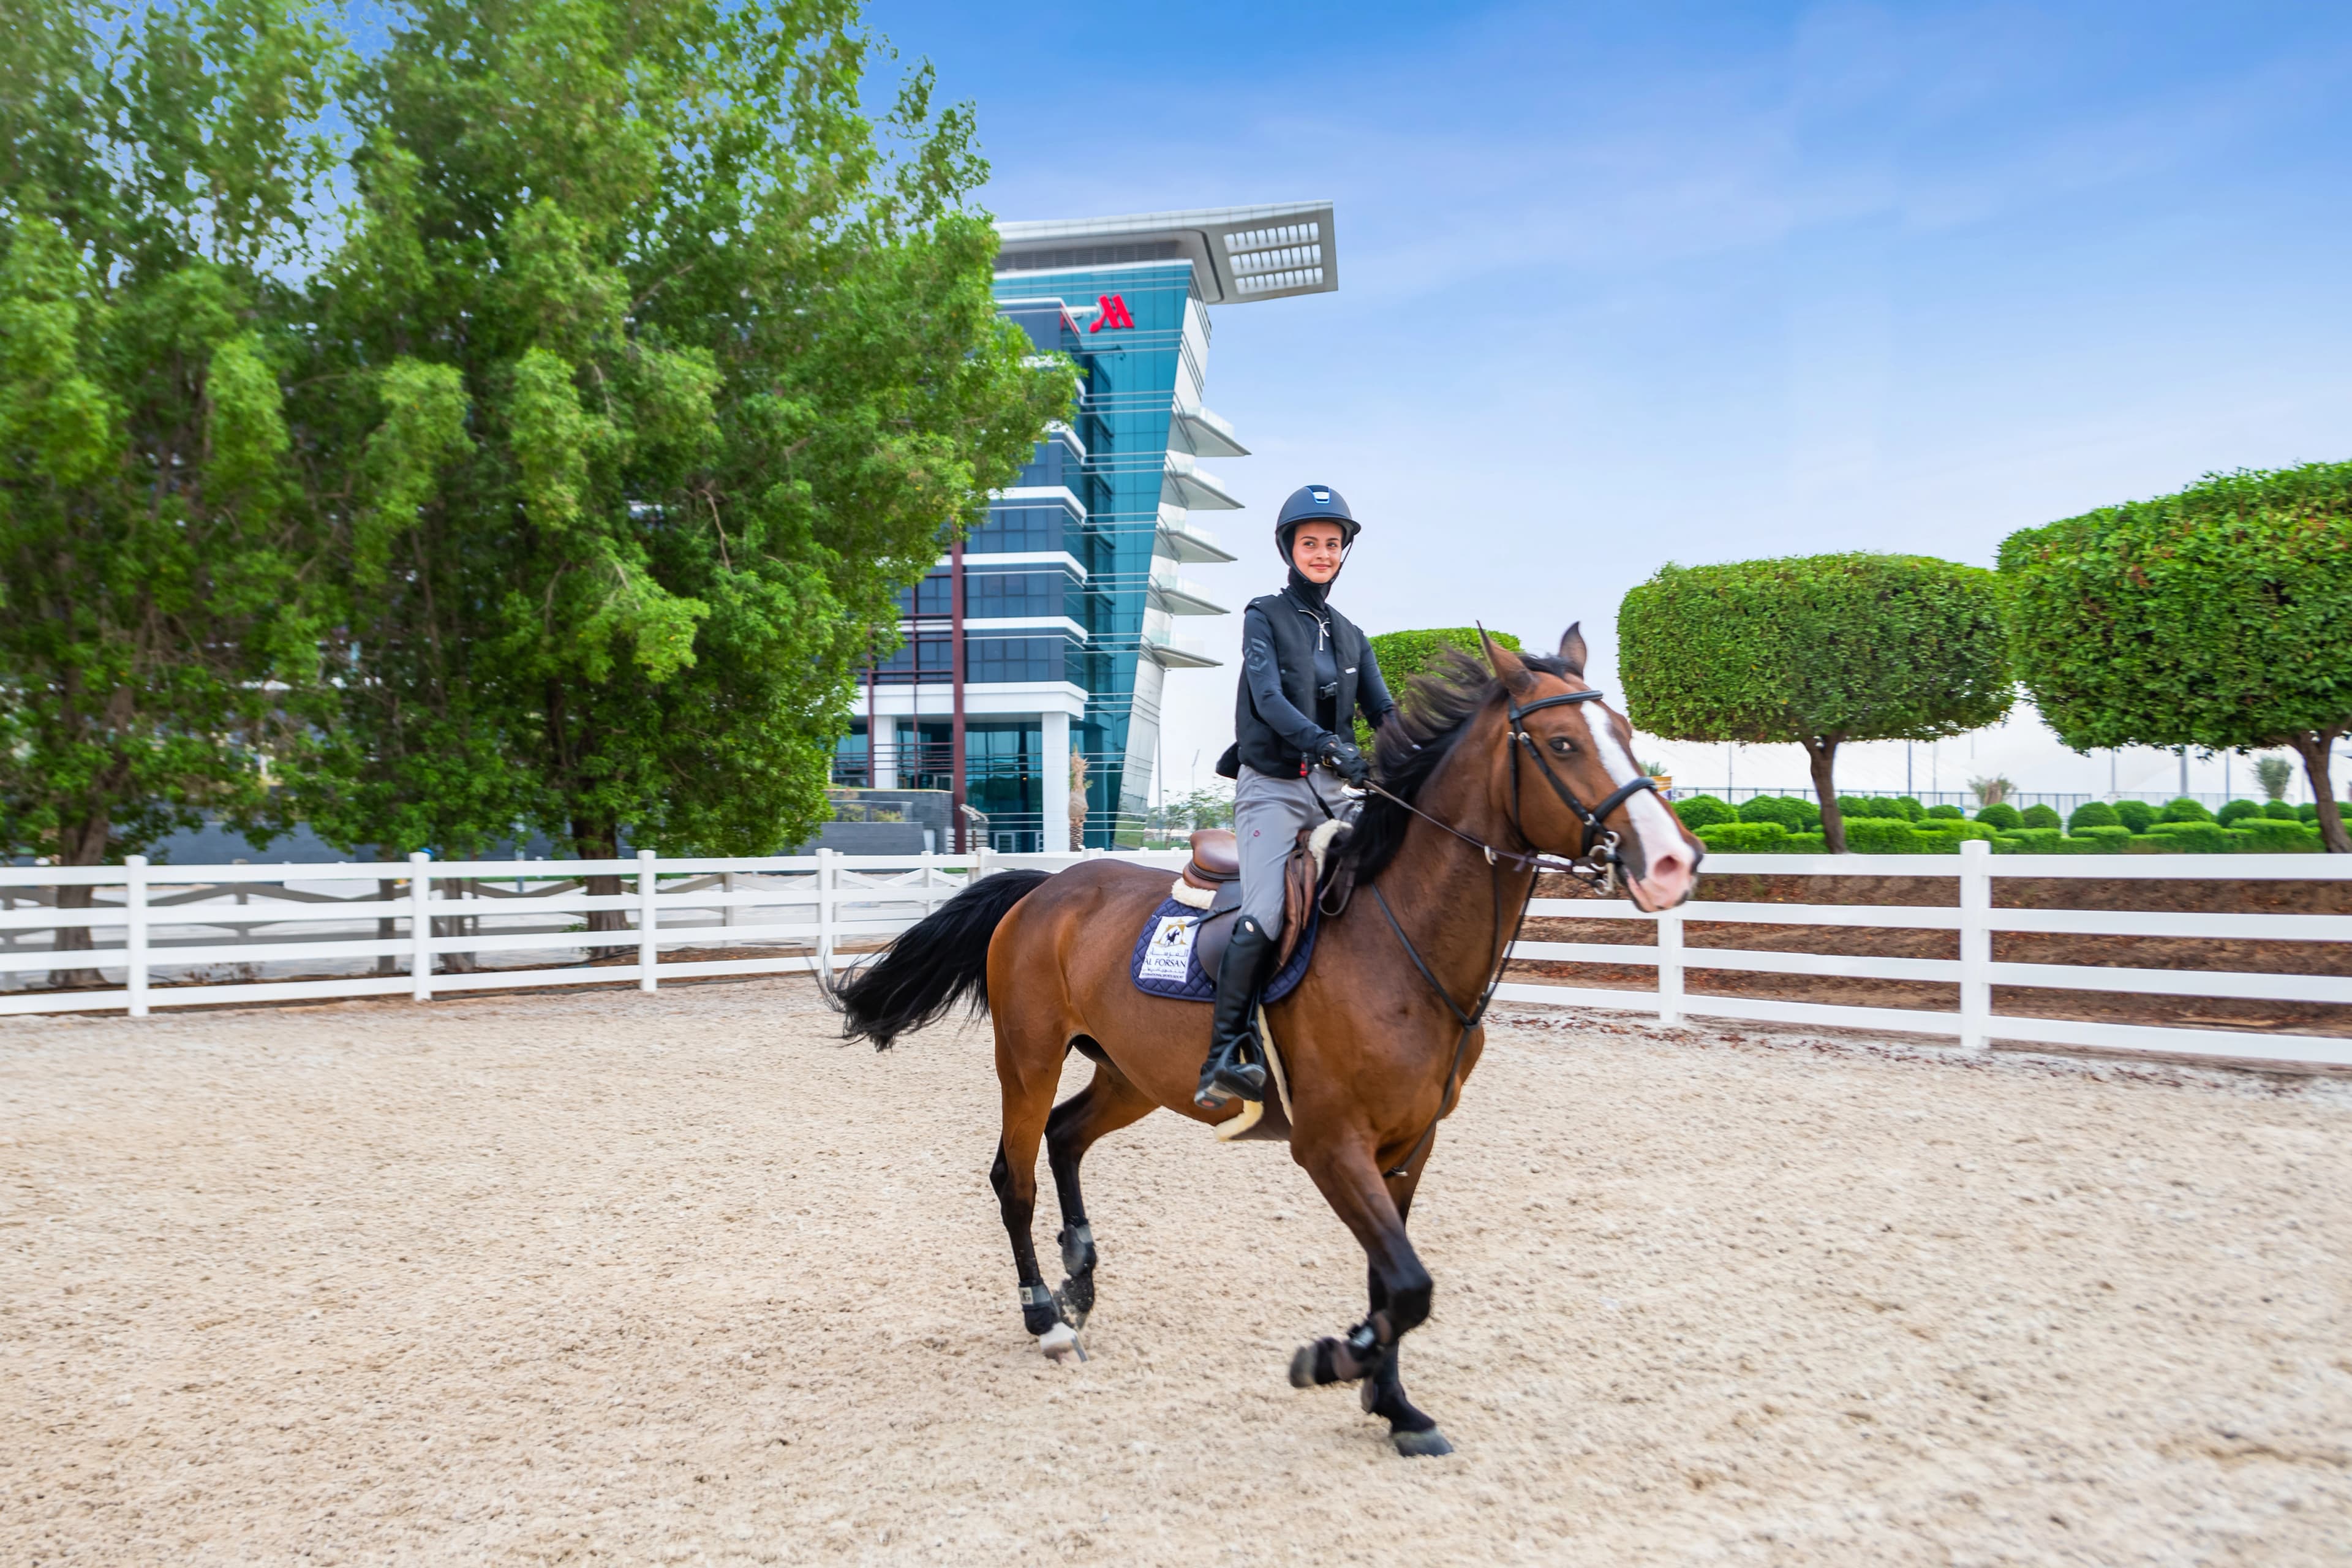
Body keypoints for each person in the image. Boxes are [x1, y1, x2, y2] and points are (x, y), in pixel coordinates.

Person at [1196, 483, 1396, 1109]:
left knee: (1394, 875)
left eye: (1332, 544)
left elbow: (1384, 712)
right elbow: (1269, 699)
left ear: (1343, 554)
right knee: (1266, 912)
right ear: (1289, 548)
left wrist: (1419, 760)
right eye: (1310, 542)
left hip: (1336, 792)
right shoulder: (1264, 615)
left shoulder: (1351, 634)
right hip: (1274, 789)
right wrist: (1329, 744)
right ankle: (1224, 1053)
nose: (1322, 553)